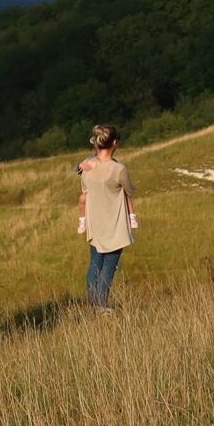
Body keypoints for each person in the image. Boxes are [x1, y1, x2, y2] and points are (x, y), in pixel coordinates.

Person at [77, 124, 136, 311]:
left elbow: (84, 190)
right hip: (115, 223)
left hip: (95, 222)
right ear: (115, 142)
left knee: (95, 263)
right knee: (109, 266)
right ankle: (101, 306)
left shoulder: (87, 167)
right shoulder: (119, 169)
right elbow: (130, 190)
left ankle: (93, 303)